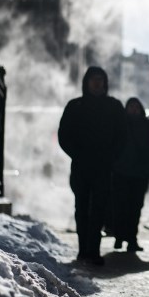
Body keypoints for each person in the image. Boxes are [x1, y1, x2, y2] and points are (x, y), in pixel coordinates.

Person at [58, 66, 124, 266]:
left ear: (105, 83)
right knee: (82, 207)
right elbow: (64, 136)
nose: (97, 83)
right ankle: (83, 250)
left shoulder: (114, 107)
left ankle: (93, 250)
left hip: (103, 166)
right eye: (93, 79)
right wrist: (77, 154)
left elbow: (122, 136)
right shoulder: (75, 106)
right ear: (86, 82)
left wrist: (112, 157)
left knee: (99, 209)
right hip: (81, 166)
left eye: (100, 79)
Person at [112, 97, 149, 252]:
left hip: (139, 173)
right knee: (121, 205)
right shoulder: (119, 126)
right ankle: (120, 236)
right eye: (131, 106)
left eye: (136, 106)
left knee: (135, 207)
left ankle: (131, 238)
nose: (134, 109)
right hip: (122, 172)